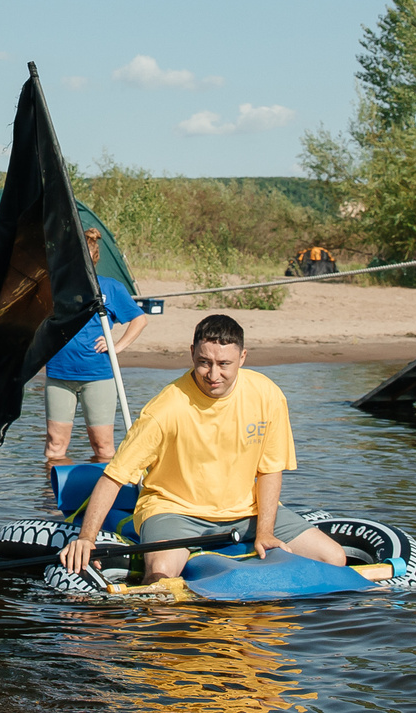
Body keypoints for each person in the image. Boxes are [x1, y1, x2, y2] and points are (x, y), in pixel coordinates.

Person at [59, 314, 345, 583]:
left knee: (334, 557)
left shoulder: (267, 395)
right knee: (160, 576)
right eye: (204, 362)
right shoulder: (165, 409)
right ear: (191, 353)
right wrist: (86, 537)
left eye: (224, 364)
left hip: (246, 510)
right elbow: (115, 476)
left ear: (242, 358)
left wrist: (265, 532)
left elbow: (270, 469)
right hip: (175, 511)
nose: (213, 374)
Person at [41, 226, 146, 465]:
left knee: (103, 447)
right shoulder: (54, 288)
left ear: (93, 259)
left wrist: (116, 347)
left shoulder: (109, 288)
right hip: (59, 374)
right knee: (55, 445)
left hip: (98, 375)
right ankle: (52, 499)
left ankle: (100, 499)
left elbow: (139, 320)